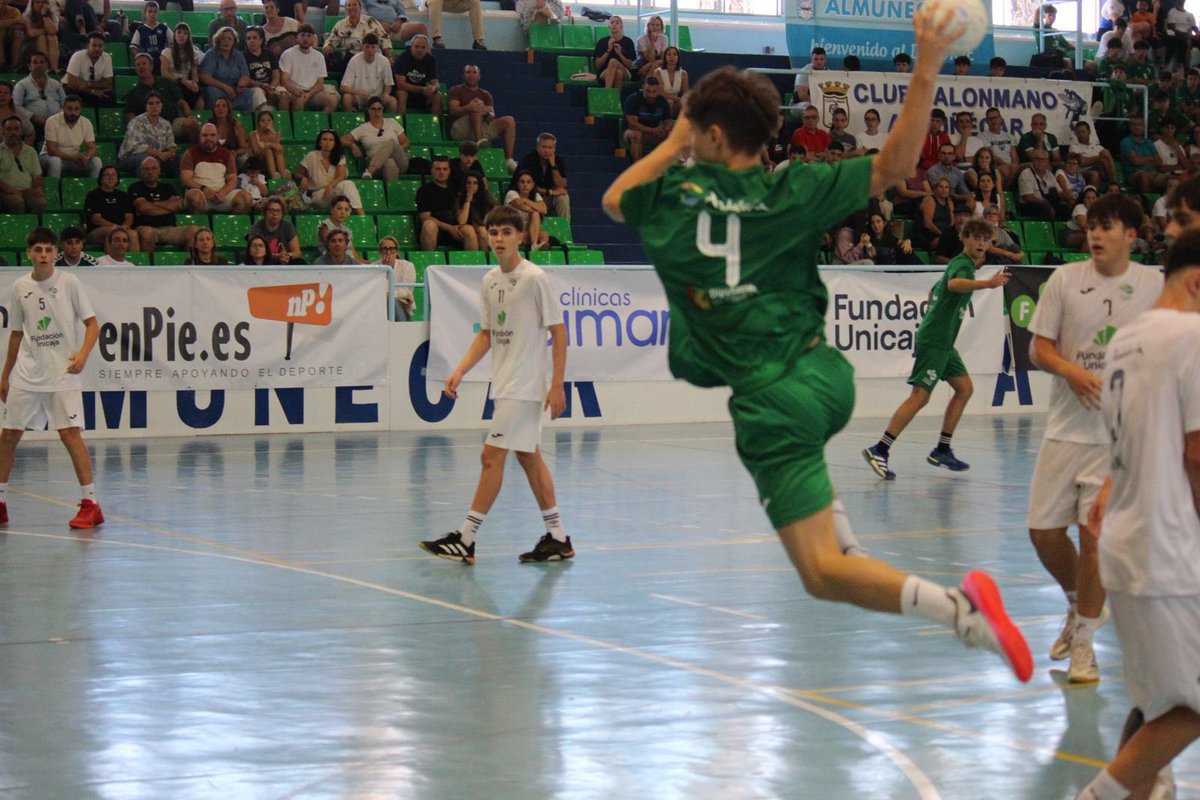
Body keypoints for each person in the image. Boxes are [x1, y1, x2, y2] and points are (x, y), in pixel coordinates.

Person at [603, 10, 1032, 684]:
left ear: (710, 135)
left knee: (821, 576)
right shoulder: (794, 187)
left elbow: (617, 198)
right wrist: (925, 68)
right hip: (824, 375)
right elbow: (894, 164)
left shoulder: (678, 198)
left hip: (771, 401)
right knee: (831, 550)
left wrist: (679, 135)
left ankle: (961, 611)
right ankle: (854, 539)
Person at [1074, 225, 1200, 800]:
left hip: (1125, 543)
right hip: (1168, 550)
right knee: (1190, 709)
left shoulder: (1128, 336)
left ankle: (1146, 788)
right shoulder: (1192, 337)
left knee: (1157, 708)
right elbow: (1196, 454)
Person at [1024, 193, 1163, 686]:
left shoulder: (1154, 285)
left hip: (1117, 440)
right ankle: (1076, 605)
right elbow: (1039, 347)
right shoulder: (1065, 280)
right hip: (1066, 429)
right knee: (1043, 534)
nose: (1096, 235)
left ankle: (1084, 646)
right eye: (1091, 227)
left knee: (1095, 540)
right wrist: (1072, 373)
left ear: (1132, 234)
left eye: (1107, 227)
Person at [420, 204, 570, 564]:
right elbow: (487, 334)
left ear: (520, 237)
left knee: (491, 456)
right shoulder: (489, 280)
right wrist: (460, 370)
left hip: (526, 384)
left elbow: (559, 332)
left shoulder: (535, 278)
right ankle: (558, 537)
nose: (499, 239)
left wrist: (558, 385)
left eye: (506, 232)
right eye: (494, 232)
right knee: (529, 457)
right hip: (504, 383)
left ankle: (466, 538)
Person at [864, 216, 1010, 477]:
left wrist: (938, 310)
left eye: (985, 239)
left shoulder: (962, 265)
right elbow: (953, 285)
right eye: (975, 237)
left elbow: (936, 289)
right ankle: (880, 449)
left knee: (964, 389)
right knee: (920, 397)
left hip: (943, 342)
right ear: (964, 239)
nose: (980, 243)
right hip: (935, 340)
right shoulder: (963, 265)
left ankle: (942, 449)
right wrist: (987, 284)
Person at [0, 227, 103, 529]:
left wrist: (82, 354)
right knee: (8, 436)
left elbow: (93, 325)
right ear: (29, 253)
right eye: (37, 250)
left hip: (62, 374)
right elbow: (17, 333)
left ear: (55, 253)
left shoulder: (69, 282)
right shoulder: (19, 287)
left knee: (70, 434)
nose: (43, 255)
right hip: (27, 375)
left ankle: (91, 503)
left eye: (48, 250)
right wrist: (5, 375)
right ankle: (1, 501)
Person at [448, 64, 517, 172]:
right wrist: (469, 107)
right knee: (475, 108)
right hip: (461, 128)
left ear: (479, 76)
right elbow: (453, 111)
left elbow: (491, 114)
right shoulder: (456, 90)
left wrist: (487, 112)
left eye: (474, 72)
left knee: (509, 120)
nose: (471, 75)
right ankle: (479, 141)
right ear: (463, 76)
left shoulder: (486, 94)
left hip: (481, 125)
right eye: (468, 72)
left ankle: (509, 159)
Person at [130, 155, 200, 256]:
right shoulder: (135, 187)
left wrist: (152, 203)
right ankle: (149, 266)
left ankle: (190, 266)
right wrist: (167, 206)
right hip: (147, 227)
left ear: (159, 170)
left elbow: (176, 206)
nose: (150, 172)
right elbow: (143, 208)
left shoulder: (168, 187)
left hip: (170, 228)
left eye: (154, 168)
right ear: (141, 171)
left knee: (195, 231)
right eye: (147, 169)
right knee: (147, 232)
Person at [125, 52, 200, 144]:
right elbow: (131, 118)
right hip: (150, 128)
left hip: (171, 123)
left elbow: (181, 102)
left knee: (192, 125)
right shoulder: (133, 93)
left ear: (151, 66)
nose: (141, 67)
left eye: (144, 63)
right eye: (138, 65)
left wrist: (189, 116)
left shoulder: (166, 83)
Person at [181, 121, 252, 214]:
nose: (209, 138)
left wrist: (223, 192)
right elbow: (186, 179)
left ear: (218, 137)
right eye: (205, 135)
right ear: (200, 137)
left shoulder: (227, 154)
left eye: (212, 135)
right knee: (194, 199)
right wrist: (204, 189)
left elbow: (233, 180)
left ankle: (228, 225)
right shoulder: (190, 153)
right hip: (200, 192)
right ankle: (200, 226)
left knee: (246, 198)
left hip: (221, 194)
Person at [418, 153, 478, 251]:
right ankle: (429, 263)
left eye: (445, 169)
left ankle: (473, 264)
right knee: (428, 225)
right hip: (437, 229)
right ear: (432, 171)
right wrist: (450, 228)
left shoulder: (457, 189)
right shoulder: (424, 190)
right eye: (438, 169)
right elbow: (425, 217)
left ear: (449, 171)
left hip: (455, 228)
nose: (441, 172)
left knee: (469, 230)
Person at [295, 128, 363, 213]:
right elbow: (298, 173)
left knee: (348, 184)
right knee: (345, 194)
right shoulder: (312, 156)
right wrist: (303, 178)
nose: (328, 142)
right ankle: (354, 214)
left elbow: (342, 174)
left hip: (334, 189)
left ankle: (360, 215)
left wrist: (330, 186)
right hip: (318, 194)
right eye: (325, 139)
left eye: (331, 140)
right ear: (320, 143)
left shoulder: (339, 156)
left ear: (334, 143)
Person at [342, 95, 409, 179]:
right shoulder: (363, 128)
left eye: (379, 109)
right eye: (373, 109)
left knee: (392, 143)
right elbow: (343, 140)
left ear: (383, 110)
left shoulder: (392, 122)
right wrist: (353, 145)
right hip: (375, 163)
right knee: (389, 162)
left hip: (399, 161)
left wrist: (390, 151)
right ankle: (392, 190)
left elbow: (406, 142)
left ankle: (369, 172)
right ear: (368, 110)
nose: (376, 112)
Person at [278, 24, 339, 112]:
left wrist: (309, 94)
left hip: (312, 92)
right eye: (302, 35)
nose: (306, 38)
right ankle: (298, 125)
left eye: (309, 36)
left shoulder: (319, 56)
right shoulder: (288, 54)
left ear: (313, 38)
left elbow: (320, 82)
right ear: (297, 37)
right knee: (299, 100)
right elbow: (284, 80)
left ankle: (321, 124)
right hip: (293, 91)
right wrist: (296, 91)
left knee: (332, 100)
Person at [201, 25, 263, 112]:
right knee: (212, 92)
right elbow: (206, 77)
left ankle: (241, 119)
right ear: (218, 41)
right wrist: (225, 87)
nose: (226, 41)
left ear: (234, 42)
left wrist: (240, 85)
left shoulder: (239, 56)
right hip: (217, 88)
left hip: (235, 89)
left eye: (230, 39)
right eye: (223, 39)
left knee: (247, 93)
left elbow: (245, 75)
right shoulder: (211, 54)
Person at [117, 91, 179, 177]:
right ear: (146, 106)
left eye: (157, 103)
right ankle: (144, 188)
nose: (154, 106)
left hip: (158, 157)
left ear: (162, 105)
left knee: (179, 160)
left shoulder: (166, 124)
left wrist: (171, 152)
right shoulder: (136, 122)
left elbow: (171, 144)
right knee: (147, 160)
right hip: (130, 157)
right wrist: (158, 154)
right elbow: (136, 146)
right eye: (151, 103)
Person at [40, 94, 99, 180]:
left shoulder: (86, 123)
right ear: (63, 108)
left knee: (97, 162)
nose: (73, 113)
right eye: (69, 109)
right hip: (49, 157)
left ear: (80, 109)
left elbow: (92, 148)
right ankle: (54, 190)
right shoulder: (52, 121)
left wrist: (86, 156)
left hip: (74, 159)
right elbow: (51, 150)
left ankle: (94, 191)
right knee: (55, 161)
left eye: (76, 109)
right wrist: (73, 158)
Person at [511, 132, 568, 219]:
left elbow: (561, 187)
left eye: (550, 148)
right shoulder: (528, 160)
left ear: (554, 149)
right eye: (544, 147)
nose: (547, 151)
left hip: (546, 200)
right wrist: (550, 192)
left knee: (563, 198)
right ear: (538, 147)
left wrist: (553, 165)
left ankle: (564, 229)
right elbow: (526, 186)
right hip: (530, 197)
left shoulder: (558, 161)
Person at [324, 0, 392, 73]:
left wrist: (387, 54)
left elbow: (384, 37)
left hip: (372, 54)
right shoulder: (340, 25)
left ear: (360, 8)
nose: (351, 7)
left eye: (354, 5)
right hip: (351, 58)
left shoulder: (370, 21)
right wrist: (329, 46)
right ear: (345, 8)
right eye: (349, 5)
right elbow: (331, 40)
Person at [84, 165, 138, 250]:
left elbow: (129, 216)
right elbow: (96, 219)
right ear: (101, 178)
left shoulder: (123, 195)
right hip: (98, 231)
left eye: (113, 175)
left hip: (121, 228)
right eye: (107, 175)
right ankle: (111, 262)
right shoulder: (94, 195)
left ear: (117, 178)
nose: (110, 177)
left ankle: (133, 262)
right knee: (112, 232)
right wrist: (116, 227)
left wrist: (125, 225)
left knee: (133, 234)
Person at [340, 33, 396, 111]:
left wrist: (385, 94)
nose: (370, 50)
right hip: (359, 96)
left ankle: (388, 122)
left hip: (378, 97)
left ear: (378, 48)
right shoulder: (354, 60)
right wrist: (359, 92)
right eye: (367, 47)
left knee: (392, 102)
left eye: (373, 47)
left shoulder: (384, 61)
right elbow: (343, 87)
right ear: (362, 47)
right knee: (347, 98)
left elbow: (389, 84)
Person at [622, 75, 672, 163]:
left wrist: (666, 128)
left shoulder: (662, 101)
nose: (651, 95)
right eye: (648, 91)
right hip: (632, 132)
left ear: (658, 90)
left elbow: (668, 120)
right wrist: (651, 131)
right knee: (636, 135)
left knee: (673, 135)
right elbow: (633, 124)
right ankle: (638, 167)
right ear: (643, 88)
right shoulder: (633, 99)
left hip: (653, 133)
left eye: (654, 91)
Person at [0, 115, 43, 213]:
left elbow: (37, 176)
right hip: (6, 192)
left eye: (16, 129)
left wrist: (38, 188)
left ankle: (37, 228)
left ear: (22, 131)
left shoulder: (31, 151)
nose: (13, 132)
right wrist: (9, 190)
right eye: (9, 129)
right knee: (17, 203)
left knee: (40, 202)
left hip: (27, 190)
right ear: (3, 132)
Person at [159, 22, 204, 113]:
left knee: (200, 96)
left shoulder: (193, 53)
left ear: (188, 36)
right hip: (171, 83)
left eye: (185, 33)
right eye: (179, 32)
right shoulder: (167, 52)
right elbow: (164, 74)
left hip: (186, 83)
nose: (182, 35)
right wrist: (182, 81)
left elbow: (194, 73)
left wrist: (194, 83)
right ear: (174, 34)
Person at [392, 33, 440, 116]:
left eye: (423, 47)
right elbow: (400, 85)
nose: (419, 50)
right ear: (411, 47)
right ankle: (401, 125)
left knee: (437, 96)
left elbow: (435, 82)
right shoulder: (403, 58)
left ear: (427, 49)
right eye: (416, 46)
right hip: (406, 93)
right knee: (402, 94)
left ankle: (434, 125)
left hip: (421, 95)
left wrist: (432, 88)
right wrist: (421, 89)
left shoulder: (431, 60)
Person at [14, 51, 63, 131]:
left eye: (42, 62)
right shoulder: (21, 85)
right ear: (29, 66)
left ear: (47, 65)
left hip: (57, 124)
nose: (39, 65)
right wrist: (33, 117)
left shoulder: (56, 84)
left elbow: (65, 103)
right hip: (32, 124)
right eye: (35, 62)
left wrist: (58, 117)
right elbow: (16, 107)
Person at [64, 31, 112, 108]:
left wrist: (87, 84)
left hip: (89, 87)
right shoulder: (78, 56)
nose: (97, 49)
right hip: (75, 89)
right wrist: (92, 91)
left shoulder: (107, 58)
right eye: (94, 45)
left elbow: (108, 82)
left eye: (100, 46)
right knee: (71, 94)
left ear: (104, 47)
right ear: (87, 46)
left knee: (109, 96)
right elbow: (71, 82)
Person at [247, 196, 303, 263]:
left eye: (278, 211)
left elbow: (297, 252)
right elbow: (253, 251)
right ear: (265, 212)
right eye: (271, 210)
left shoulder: (288, 227)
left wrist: (288, 255)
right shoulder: (257, 227)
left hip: (284, 261)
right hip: (264, 261)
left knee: (300, 262)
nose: (275, 213)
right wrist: (276, 256)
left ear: (282, 213)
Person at [505, 169, 549, 250]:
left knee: (544, 235)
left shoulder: (536, 195)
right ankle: (535, 246)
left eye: (528, 182)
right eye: (522, 182)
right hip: (512, 230)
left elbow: (544, 210)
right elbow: (524, 208)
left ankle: (535, 246)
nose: (525, 185)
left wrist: (526, 200)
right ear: (518, 184)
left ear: (533, 185)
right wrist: (536, 207)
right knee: (535, 213)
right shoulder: (512, 194)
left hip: (528, 231)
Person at [374, 234, 415, 319]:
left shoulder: (407, 266)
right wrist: (385, 271)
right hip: (378, 307)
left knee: (393, 301)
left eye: (391, 249)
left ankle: (402, 330)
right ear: (380, 252)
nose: (388, 253)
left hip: (402, 307)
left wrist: (388, 295)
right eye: (385, 249)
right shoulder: (374, 267)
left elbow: (406, 291)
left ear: (397, 252)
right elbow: (373, 293)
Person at [242, 26, 279, 112]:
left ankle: (283, 122)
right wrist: (261, 85)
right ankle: (262, 121)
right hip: (254, 87)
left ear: (261, 40)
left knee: (283, 95)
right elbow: (245, 79)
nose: (251, 41)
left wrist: (272, 87)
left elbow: (276, 75)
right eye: (248, 38)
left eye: (254, 38)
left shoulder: (269, 54)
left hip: (271, 85)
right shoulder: (242, 56)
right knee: (259, 92)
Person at [207, 95, 248, 168]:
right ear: (214, 110)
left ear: (228, 109)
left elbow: (243, 149)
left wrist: (235, 152)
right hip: (212, 156)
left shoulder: (236, 125)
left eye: (224, 106)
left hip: (231, 157)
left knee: (243, 159)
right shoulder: (208, 124)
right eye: (217, 106)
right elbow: (202, 144)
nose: (220, 108)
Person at [454, 171, 494, 248]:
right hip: (465, 228)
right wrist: (468, 200)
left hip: (482, 227)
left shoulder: (486, 196)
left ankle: (486, 258)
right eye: (468, 183)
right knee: (469, 230)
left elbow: (496, 216)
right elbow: (462, 222)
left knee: (483, 231)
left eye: (475, 183)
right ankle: (473, 259)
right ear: (465, 185)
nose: (471, 186)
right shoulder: (459, 199)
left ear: (479, 185)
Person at [593, 15, 634, 90]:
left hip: (625, 71)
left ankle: (607, 91)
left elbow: (629, 65)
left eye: (617, 23)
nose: (614, 25)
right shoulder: (602, 42)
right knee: (618, 73)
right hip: (605, 71)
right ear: (609, 26)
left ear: (621, 26)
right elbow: (598, 65)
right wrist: (608, 49)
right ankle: (615, 100)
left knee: (613, 61)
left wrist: (619, 54)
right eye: (612, 22)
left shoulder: (628, 41)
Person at [129, 0, 168, 69]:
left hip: (162, 61)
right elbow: (133, 47)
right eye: (150, 11)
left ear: (158, 13)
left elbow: (174, 42)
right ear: (145, 13)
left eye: (155, 12)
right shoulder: (140, 30)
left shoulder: (164, 28)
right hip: (147, 63)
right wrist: (140, 57)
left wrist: (167, 56)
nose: (152, 14)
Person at [249, 110, 288, 179]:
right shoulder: (253, 134)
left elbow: (277, 148)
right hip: (258, 160)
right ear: (258, 123)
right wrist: (269, 146)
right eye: (263, 121)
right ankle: (273, 174)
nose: (266, 123)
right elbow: (256, 152)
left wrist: (272, 135)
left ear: (273, 122)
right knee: (268, 151)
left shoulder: (276, 134)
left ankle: (283, 173)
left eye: (269, 120)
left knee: (278, 150)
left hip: (274, 160)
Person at [653, 46, 688, 118]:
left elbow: (685, 93)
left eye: (675, 54)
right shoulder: (658, 72)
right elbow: (661, 93)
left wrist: (681, 100)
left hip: (676, 101)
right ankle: (668, 124)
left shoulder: (683, 73)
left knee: (685, 103)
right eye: (669, 54)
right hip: (661, 100)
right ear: (665, 57)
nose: (672, 57)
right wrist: (678, 99)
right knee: (670, 103)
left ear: (678, 58)